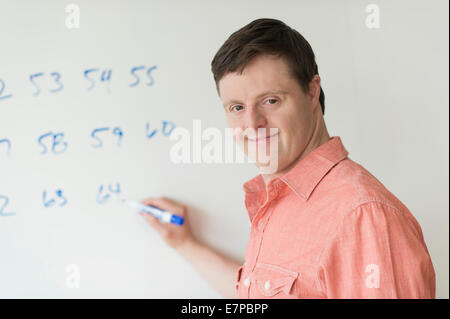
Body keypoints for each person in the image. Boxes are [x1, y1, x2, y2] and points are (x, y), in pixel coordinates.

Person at [139, 18, 435, 299]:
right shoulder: (281, 202)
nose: (253, 124)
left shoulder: (363, 216)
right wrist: (185, 244)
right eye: (237, 107)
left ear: (311, 92)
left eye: (270, 101)